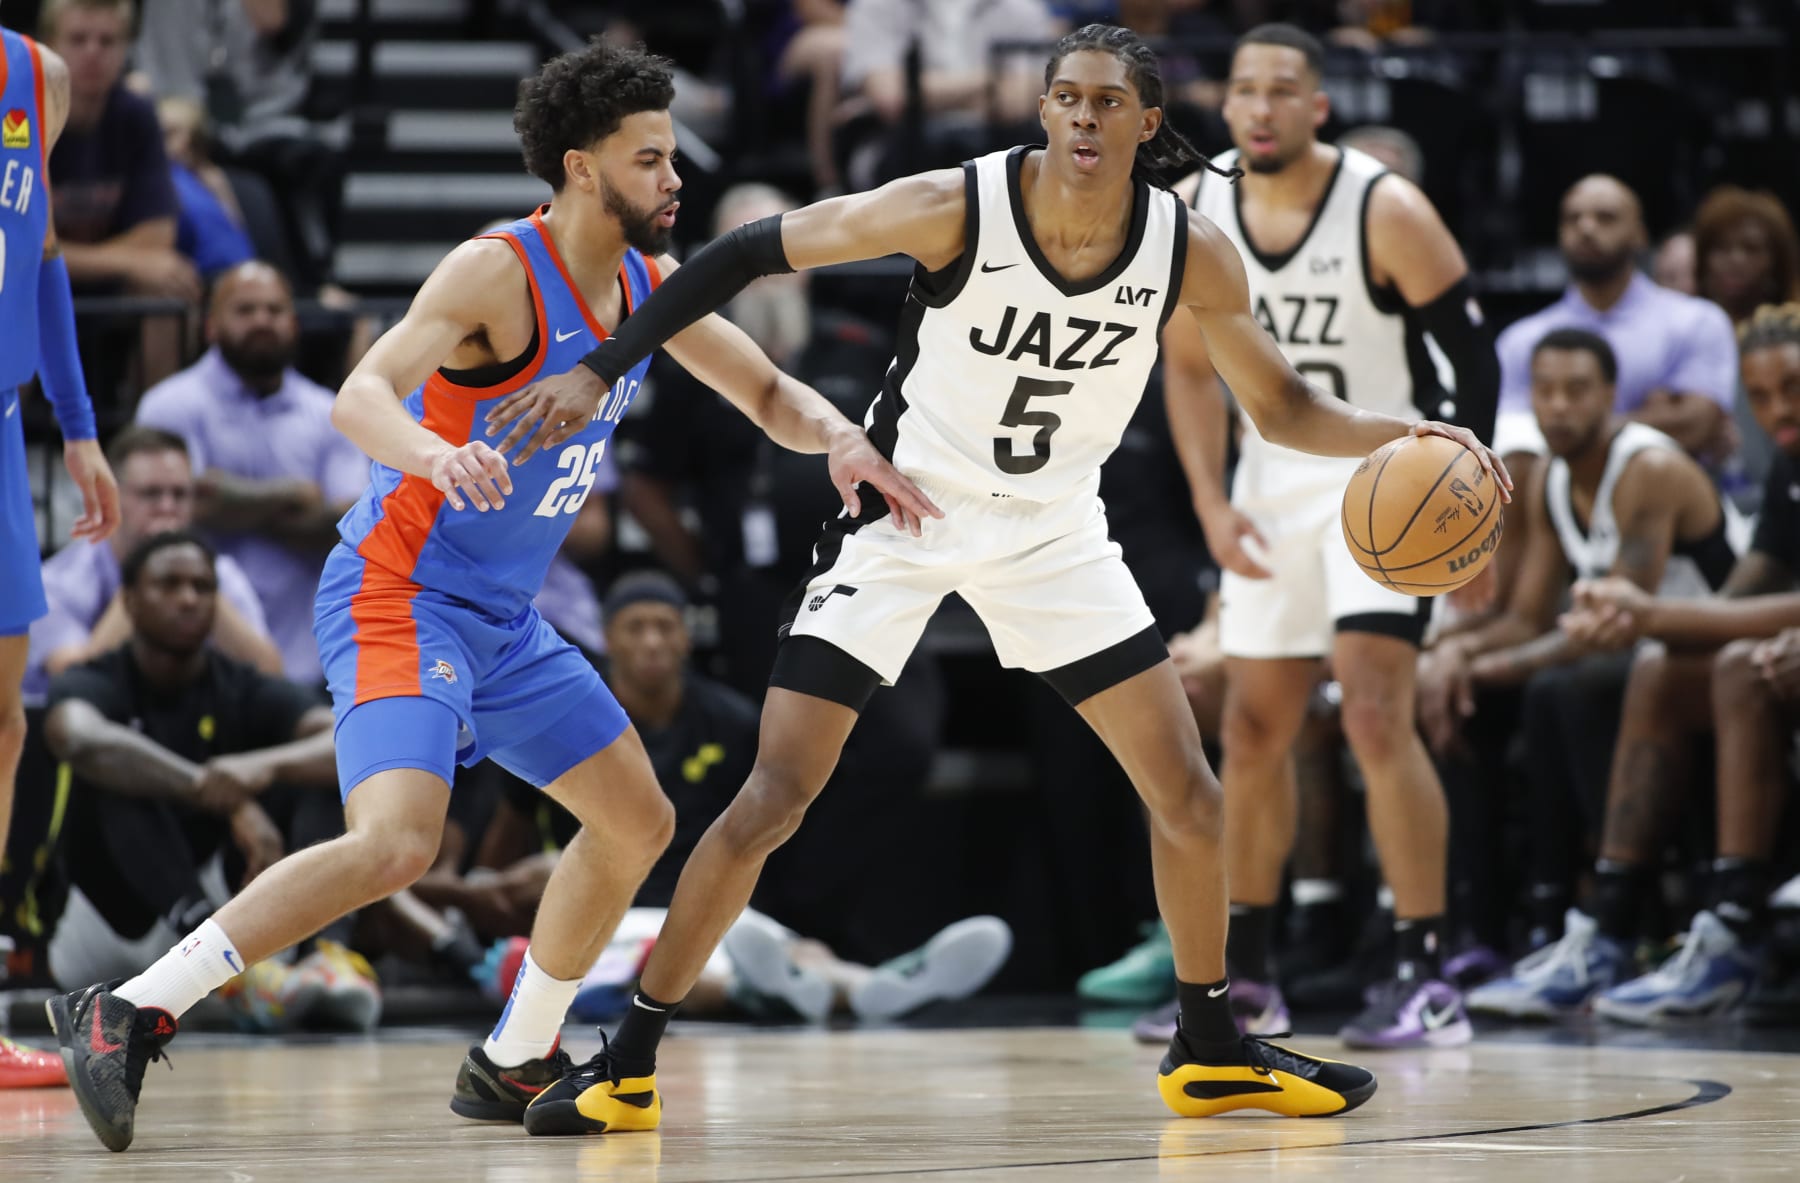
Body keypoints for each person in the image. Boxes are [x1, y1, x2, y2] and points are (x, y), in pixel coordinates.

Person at [484, 23, 1506, 1125]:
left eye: (1106, 102)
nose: (1080, 116)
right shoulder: (956, 204)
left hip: (1054, 536)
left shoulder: (1189, 249)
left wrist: (1420, 432)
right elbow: (742, 256)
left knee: (1190, 795)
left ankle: (1210, 1043)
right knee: (772, 797)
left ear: (1146, 123)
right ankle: (630, 1056)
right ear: (1044, 111)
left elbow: (1289, 408)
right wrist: (599, 368)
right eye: (1064, 97)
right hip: (903, 519)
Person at [46, 41, 931, 1155]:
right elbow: (359, 397)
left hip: (504, 621)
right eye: (650, 159)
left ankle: (517, 1054)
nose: (675, 179)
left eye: (671, 157)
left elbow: (762, 388)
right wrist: (429, 452)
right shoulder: (494, 275)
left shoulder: (649, 290)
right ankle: (128, 1008)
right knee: (398, 843)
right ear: (580, 168)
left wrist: (844, 438)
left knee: (637, 819)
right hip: (397, 592)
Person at [1152, 22, 1499, 1051]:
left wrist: (1469, 507)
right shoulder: (1195, 208)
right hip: (1270, 488)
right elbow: (1183, 369)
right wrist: (1212, 505)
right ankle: (1246, 976)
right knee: (1253, 730)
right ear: (1228, 106)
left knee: (1375, 714)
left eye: (1282, 89)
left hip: (1388, 481)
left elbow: (1471, 367)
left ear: (1319, 106)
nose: (1260, 106)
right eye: (1245, 88)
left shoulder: (1384, 207)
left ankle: (1424, 969)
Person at [477, 571, 1013, 1023]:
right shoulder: (568, 722)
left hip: (710, 899)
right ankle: (778, 994)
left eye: (665, 627)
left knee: (801, 953)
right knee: (673, 964)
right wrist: (497, 892)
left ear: (687, 638)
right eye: (635, 628)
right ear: (607, 637)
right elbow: (504, 842)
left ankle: (876, 987)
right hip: (616, 909)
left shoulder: (729, 720)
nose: (652, 641)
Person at [1471, 304, 1800, 1022]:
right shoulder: (1785, 470)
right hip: (1719, 644)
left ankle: (1726, 925)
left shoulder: (1644, 465)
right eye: (1764, 394)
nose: (1779, 409)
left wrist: (1653, 617)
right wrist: (1456, 659)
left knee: (1646, 674)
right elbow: (1740, 595)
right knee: (1643, 671)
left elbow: (1678, 614)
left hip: (1732, 653)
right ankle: (1604, 923)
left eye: (1793, 389)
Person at [1419, 329, 1738, 979]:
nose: (1558, 406)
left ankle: (1613, 911)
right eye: (1545, 390)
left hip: (1710, 645)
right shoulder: (1552, 479)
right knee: (1476, 701)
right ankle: (1496, 923)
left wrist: (1475, 664)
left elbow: (1612, 627)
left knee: (1567, 689)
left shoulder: (1645, 468)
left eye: (1577, 390)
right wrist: (1450, 656)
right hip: (1644, 655)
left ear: (1612, 396)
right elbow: (1530, 618)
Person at [41, 531, 333, 994]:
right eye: (170, 585)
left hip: (221, 913)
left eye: (202, 586)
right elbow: (76, 737)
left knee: (314, 775)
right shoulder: (96, 678)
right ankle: (215, 960)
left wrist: (264, 768)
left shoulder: (239, 684)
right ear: (131, 601)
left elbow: (343, 737)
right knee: (120, 771)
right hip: (111, 929)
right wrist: (219, 793)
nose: (188, 598)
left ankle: (316, 955)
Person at [0, 18, 119, 1091]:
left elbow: (41, 260)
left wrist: (77, 426)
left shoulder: (36, 74)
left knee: (1, 722)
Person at [135, 261, 371, 684]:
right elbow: (184, 508)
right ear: (211, 325)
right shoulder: (168, 405)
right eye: (245, 310)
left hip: (311, 659)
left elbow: (349, 527)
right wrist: (295, 495)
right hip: (197, 658)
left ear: (294, 324)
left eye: (274, 310)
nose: (262, 320)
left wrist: (231, 500)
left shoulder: (331, 412)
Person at [1492, 176, 1738, 472]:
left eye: (1605, 217)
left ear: (1640, 233)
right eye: (1573, 218)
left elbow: (1697, 425)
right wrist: (1649, 417)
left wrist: (1566, 428)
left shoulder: (1697, 321)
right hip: (1553, 510)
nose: (1586, 228)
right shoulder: (1520, 340)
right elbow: (1511, 446)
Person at [26, 426, 277, 704]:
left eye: (179, 494)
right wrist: (145, 570)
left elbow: (270, 677)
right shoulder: (57, 583)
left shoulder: (219, 573)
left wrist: (197, 582)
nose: (167, 508)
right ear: (109, 497)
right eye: (151, 494)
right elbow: (75, 681)